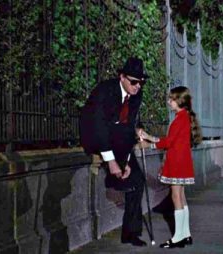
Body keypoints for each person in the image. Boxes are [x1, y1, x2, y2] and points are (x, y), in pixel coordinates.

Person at [79, 57, 149, 246]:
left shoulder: (136, 95)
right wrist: (111, 161)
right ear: (122, 77)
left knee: (137, 181)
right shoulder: (105, 91)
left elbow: (129, 127)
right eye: (133, 82)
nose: (137, 86)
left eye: (141, 82)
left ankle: (130, 233)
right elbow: (99, 126)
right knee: (111, 136)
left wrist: (126, 161)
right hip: (94, 134)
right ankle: (113, 176)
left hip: (118, 139)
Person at [139, 86, 202, 248]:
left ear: (180, 101)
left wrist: (149, 142)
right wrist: (149, 138)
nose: (169, 102)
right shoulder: (184, 117)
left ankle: (178, 237)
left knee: (176, 197)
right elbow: (171, 141)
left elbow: (168, 142)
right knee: (181, 197)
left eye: (171, 99)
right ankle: (185, 234)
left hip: (177, 163)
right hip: (182, 161)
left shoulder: (180, 119)